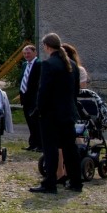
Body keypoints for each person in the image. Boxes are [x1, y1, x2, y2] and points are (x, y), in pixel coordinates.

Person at [30, 36, 83, 194]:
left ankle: (50, 183)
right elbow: (75, 91)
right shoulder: (72, 64)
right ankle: (75, 181)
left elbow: (44, 90)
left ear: (46, 46)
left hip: (51, 114)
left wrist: (39, 109)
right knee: (70, 148)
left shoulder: (48, 64)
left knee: (50, 148)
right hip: (67, 112)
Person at [17, 44, 41, 151]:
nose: (27, 55)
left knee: (36, 122)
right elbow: (23, 79)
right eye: (25, 53)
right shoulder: (24, 65)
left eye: (29, 53)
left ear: (35, 53)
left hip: (34, 98)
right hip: (25, 97)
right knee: (29, 122)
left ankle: (40, 145)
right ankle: (32, 144)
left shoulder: (39, 64)